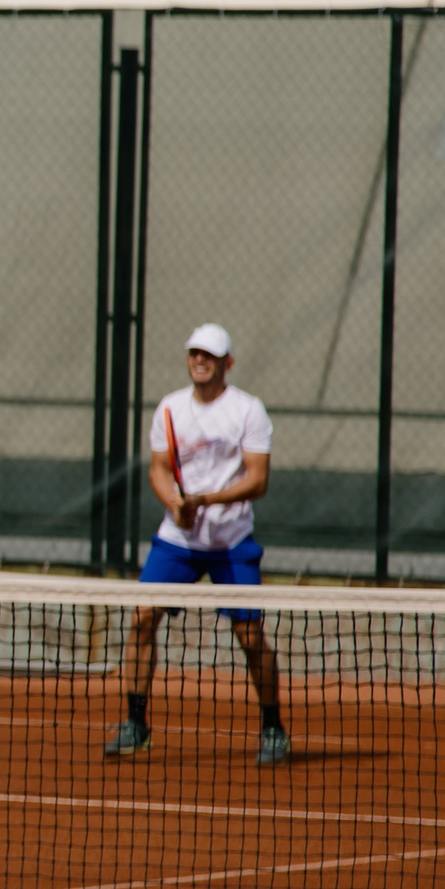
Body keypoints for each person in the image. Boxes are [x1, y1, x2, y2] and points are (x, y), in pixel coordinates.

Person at [106, 323, 289, 766]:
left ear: (228, 362)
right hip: (177, 541)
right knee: (142, 619)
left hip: (231, 541)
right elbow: (159, 469)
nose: (199, 360)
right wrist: (175, 503)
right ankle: (135, 723)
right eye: (193, 353)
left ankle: (273, 728)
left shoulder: (248, 410)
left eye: (209, 354)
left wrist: (205, 500)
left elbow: (257, 480)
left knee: (249, 634)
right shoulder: (170, 409)